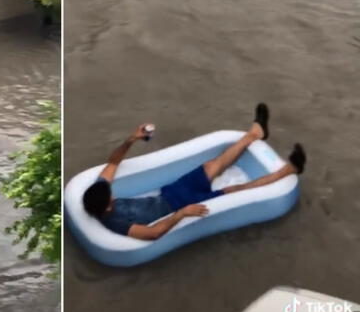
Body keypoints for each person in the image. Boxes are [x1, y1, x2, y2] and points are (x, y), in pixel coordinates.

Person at [82, 103, 306, 241]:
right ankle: (289, 170)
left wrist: (132, 138)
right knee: (233, 190)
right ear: (107, 206)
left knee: (212, 166)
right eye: (110, 197)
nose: (111, 193)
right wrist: (181, 213)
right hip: (178, 206)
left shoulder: (100, 197)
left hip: (169, 193)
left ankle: (255, 133)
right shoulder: (114, 222)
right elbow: (152, 233)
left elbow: (113, 163)